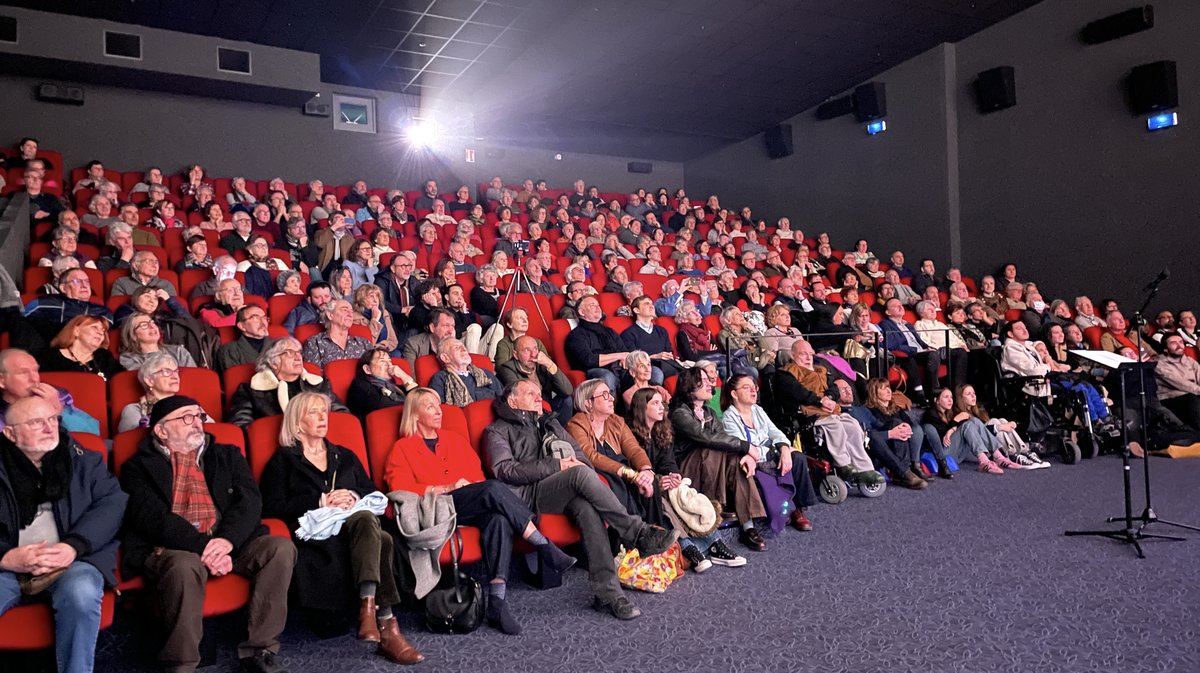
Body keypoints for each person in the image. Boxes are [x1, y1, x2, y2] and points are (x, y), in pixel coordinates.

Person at [119, 396, 297, 673]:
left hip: (227, 540)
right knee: (184, 565)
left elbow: (250, 501)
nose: (197, 423)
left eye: (199, 416)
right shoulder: (137, 467)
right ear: (161, 430)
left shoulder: (226, 454)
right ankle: (182, 664)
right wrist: (204, 547)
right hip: (171, 547)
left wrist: (226, 541)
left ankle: (260, 649)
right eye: (186, 417)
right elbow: (152, 519)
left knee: (280, 548)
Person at [387, 387, 578, 634]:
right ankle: (542, 544)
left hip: (467, 503)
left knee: (498, 518)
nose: (438, 411)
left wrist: (469, 487)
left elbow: (476, 475)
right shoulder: (402, 448)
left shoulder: (453, 439)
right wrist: (445, 487)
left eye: (438, 405)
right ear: (414, 414)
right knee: (492, 489)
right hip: (436, 508)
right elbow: (400, 489)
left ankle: (497, 602)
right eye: (430, 406)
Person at [484, 380, 676, 619]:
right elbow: (504, 470)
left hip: (562, 488)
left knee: (587, 508)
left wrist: (571, 465)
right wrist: (558, 465)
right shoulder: (497, 430)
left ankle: (609, 594)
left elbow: (581, 457)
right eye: (530, 393)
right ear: (512, 401)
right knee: (579, 473)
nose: (538, 397)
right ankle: (637, 532)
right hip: (527, 495)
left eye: (539, 392)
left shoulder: (550, 423)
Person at [258, 393, 422, 663]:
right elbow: (271, 506)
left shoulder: (343, 455)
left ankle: (371, 610)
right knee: (380, 537)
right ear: (297, 423)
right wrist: (320, 501)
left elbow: (369, 490)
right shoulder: (283, 461)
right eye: (313, 413)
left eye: (324, 411)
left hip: (355, 527)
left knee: (367, 521)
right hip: (317, 537)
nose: (323, 417)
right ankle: (385, 623)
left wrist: (352, 497)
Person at [0, 395, 128, 673]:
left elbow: (112, 504)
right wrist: (5, 558)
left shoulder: (84, 459)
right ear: (9, 433)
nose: (49, 428)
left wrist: (74, 546)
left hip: (72, 560)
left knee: (81, 592)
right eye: (36, 422)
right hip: (7, 565)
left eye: (53, 420)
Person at [669, 367, 769, 551]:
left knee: (735, 460)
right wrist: (746, 446)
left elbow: (723, 440)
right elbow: (705, 438)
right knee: (711, 449)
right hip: (686, 469)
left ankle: (748, 526)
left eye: (709, 380)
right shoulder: (679, 413)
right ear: (689, 386)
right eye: (703, 380)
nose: (710, 383)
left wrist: (745, 455)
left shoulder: (709, 413)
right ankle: (716, 507)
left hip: (710, 466)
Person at [771, 339, 888, 487]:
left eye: (810, 354)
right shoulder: (785, 373)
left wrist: (830, 398)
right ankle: (844, 465)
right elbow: (798, 393)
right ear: (793, 355)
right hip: (808, 414)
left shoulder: (821, 370)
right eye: (803, 354)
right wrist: (820, 401)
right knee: (835, 425)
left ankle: (864, 468)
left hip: (831, 409)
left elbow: (834, 387)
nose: (808, 358)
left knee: (852, 425)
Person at [720, 373, 817, 531]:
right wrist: (775, 449)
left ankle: (798, 509)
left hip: (770, 454)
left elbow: (776, 433)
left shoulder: (757, 410)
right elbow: (748, 448)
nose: (753, 391)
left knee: (797, 457)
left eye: (754, 387)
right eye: (747, 387)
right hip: (755, 462)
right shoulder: (728, 418)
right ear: (734, 393)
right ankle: (779, 510)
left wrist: (784, 448)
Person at [229, 338, 348, 427]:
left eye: (299, 352)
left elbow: (342, 416)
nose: (298, 357)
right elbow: (240, 425)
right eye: (289, 352)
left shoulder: (318, 384)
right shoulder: (251, 391)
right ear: (273, 362)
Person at [859, 378, 949, 481]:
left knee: (922, 428)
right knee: (896, 423)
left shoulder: (896, 408)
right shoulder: (870, 410)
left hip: (905, 441)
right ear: (874, 392)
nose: (889, 391)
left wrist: (906, 428)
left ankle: (923, 465)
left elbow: (910, 423)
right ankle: (907, 469)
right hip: (887, 445)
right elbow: (873, 434)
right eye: (883, 389)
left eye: (888, 387)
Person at [0, 349, 100, 434]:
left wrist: (59, 410)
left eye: (35, 371)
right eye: (23, 372)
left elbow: (93, 432)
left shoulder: (57, 396)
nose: (34, 379)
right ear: (1, 381)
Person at [953, 384, 1043, 470]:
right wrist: (999, 427)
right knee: (995, 423)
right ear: (961, 398)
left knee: (1001, 420)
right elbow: (975, 435)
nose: (973, 396)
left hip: (989, 448)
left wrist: (1004, 425)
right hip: (973, 451)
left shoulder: (979, 412)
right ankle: (1012, 455)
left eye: (974, 393)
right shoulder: (959, 414)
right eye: (969, 394)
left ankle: (1024, 451)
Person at [565, 296, 643, 393]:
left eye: (598, 305)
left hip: (617, 367)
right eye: (592, 305)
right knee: (607, 376)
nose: (597, 307)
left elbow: (624, 351)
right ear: (581, 312)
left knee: (645, 372)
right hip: (594, 370)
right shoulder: (577, 335)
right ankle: (611, 407)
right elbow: (589, 360)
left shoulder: (609, 331)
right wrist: (619, 356)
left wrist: (625, 358)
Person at [496, 334, 575, 425]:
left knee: (566, 399)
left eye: (535, 349)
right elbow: (523, 401)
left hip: (546, 408)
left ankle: (559, 433)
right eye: (526, 350)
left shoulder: (541, 364)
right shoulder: (506, 369)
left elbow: (568, 390)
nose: (533, 355)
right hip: (526, 414)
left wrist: (549, 364)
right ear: (515, 355)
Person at [880, 298, 940, 403]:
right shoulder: (886, 324)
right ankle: (931, 392)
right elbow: (893, 345)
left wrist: (927, 347)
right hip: (906, 354)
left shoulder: (908, 324)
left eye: (900, 304)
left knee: (940, 353)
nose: (900, 306)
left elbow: (919, 341)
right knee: (930, 356)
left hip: (919, 352)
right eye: (895, 306)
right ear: (888, 312)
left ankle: (937, 390)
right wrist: (916, 349)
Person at [40, 315, 122, 381]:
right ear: (76, 331)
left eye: (103, 331)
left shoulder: (105, 357)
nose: (100, 333)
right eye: (94, 327)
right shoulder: (50, 357)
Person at [346, 348, 418, 420]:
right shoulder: (360, 386)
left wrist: (404, 376)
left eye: (390, 361)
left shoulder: (393, 387)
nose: (389, 365)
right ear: (367, 369)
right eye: (382, 361)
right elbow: (386, 406)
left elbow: (421, 399)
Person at [429, 338, 503, 407]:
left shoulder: (485, 374)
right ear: (445, 358)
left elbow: (503, 399)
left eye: (463, 346)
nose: (464, 349)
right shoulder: (440, 379)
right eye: (457, 348)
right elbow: (441, 410)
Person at [300, 299, 372, 369]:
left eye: (351, 312)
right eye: (344, 310)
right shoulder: (314, 343)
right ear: (330, 315)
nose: (350, 314)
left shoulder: (363, 343)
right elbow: (314, 377)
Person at [118, 310, 197, 371]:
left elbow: (193, 378)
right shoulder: (128, 358)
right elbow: (147, 379)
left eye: (152, 322)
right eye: (144, 325)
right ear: (133, 335)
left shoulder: (178, 351)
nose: (152, 326)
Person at [1155, 333, 1200, 429]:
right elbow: (1179, 383)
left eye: (1181, 342)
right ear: (1165, 349)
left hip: (1194, 395)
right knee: (1192, 399)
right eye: (1173, 343)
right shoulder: (1159, 363)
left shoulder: (1190, 361)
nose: (1179, 346)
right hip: (1172, 399)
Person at [110, 250, 176, 297]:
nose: (154, 265)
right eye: (149, 262)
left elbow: (175, 311)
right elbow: (118, 309)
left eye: (156, 262)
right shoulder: (122, 283)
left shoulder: (166, 285)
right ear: (135, 266)